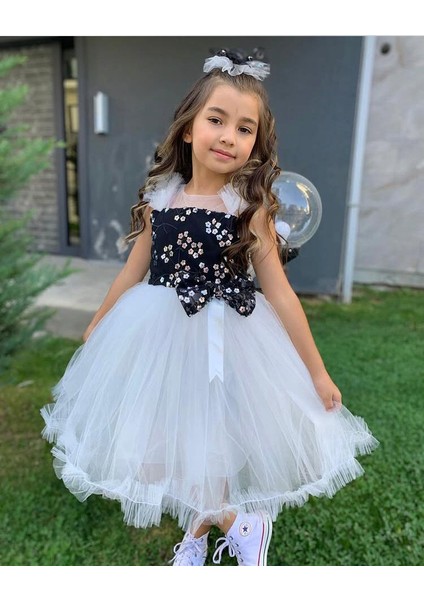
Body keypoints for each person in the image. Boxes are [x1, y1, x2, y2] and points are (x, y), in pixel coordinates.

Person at [40, 48, 379, 567]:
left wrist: (316, 371)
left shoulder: (248, 209)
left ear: (255, 144)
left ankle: (229, 525)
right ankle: (210, 530)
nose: (228, 137)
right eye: (216, 120)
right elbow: (132, 272)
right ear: (187, 129)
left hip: (226, 337)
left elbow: (280, 293)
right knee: (160, 447)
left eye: (245, 129)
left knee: (211, 440)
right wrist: (100, 321)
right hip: (160, 337)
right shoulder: (161, 200)